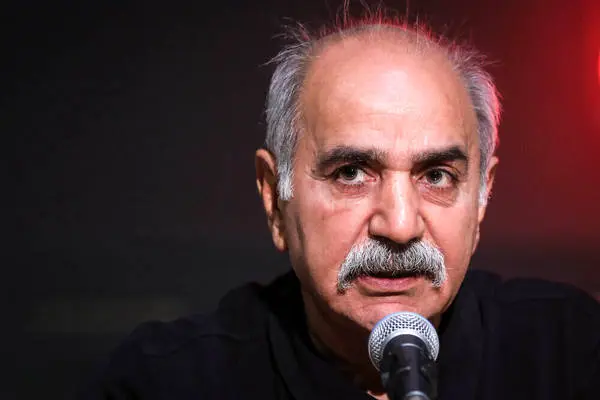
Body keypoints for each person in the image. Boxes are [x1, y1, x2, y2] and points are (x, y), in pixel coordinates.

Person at [83, 9, 600, 400]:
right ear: (274, 198)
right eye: (351, 173)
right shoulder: (169, 383)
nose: (400, 225)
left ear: (482, 197)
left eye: (437, 176)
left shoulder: (571, 352)